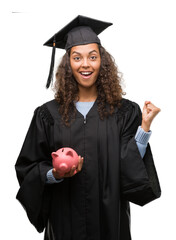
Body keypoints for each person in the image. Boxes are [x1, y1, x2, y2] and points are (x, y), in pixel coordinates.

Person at [15, 15, 161, 240]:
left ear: (102, 62)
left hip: (110, 222)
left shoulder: (124, 112)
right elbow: (28, 167)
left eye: (92, 57)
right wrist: (54, 173)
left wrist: (143, 128)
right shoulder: (48, 115)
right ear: (68, 64)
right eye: (77, 57)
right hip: (64, 222)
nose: (85, 64)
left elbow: (128, 167)